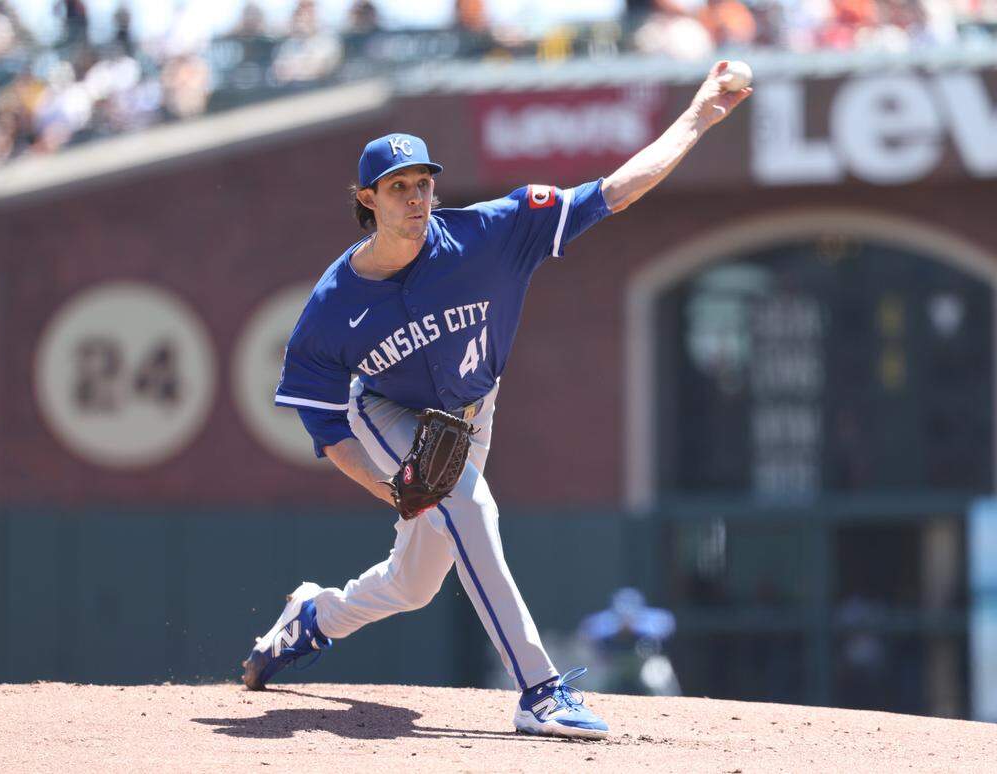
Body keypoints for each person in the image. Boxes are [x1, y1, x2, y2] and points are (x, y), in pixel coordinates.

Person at [241, 61, 751, 740]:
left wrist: (699, 115)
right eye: (398, 188)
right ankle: (539, 691)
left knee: (413, 584)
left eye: (424, 183)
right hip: (388, 411)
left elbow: (614, 192)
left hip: (471, 410)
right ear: (366, 198)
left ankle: (313, 619)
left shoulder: (492, 233)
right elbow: (325, 426)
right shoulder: (332, 308)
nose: (416, 198)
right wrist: (392, 488)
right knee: (469, 507)